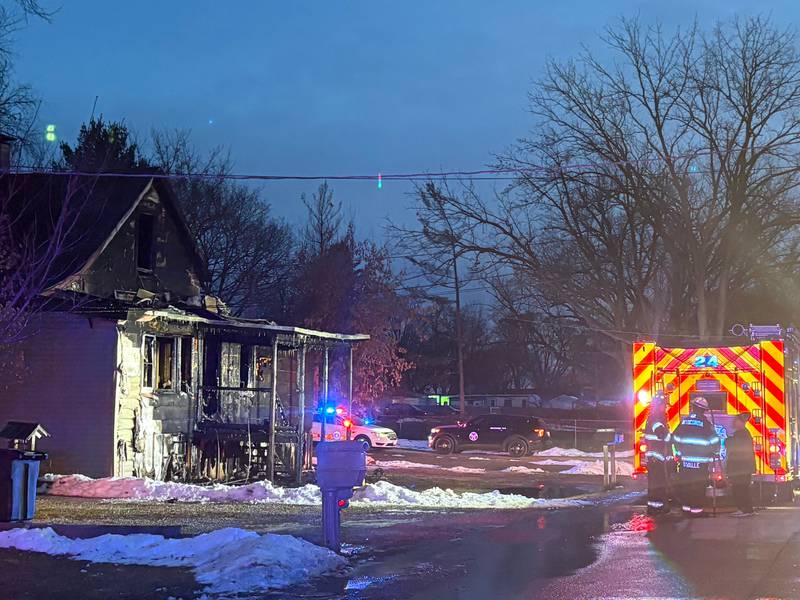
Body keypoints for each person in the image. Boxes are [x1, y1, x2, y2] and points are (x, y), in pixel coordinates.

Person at [672, 397, 720, 517]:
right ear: (703, 410)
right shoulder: (706, 424)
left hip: (685, 461)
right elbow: (715, 441)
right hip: (700, 462)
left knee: (686, 485)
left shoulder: (684, 422)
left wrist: (679, 452)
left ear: (693, 408)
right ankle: (696, 511)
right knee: (698, 486)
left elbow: (675, 438)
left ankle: (686, 509)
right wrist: (715, 451)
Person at [643, 394, 671, 514]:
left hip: (656, 457)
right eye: (664, 405)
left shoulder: (656, 416)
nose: (665, 408)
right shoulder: (656, 417)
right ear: (659, 405)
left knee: (656, 483)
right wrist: (672, 438)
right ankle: (656, 509)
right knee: (657, 483)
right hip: (656, 457)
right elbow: (661, 433)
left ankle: (655, 507)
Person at [726, 412, 755, 516]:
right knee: (743, 488)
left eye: (735, 420)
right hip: (743, 468)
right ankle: (747, 509)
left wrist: (727, 440)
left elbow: (731, 446)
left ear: (741, 423)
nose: (733, 422)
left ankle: (744, 509)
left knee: (739, 488)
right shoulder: (744, 433)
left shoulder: (741, 434)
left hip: (740, 468)